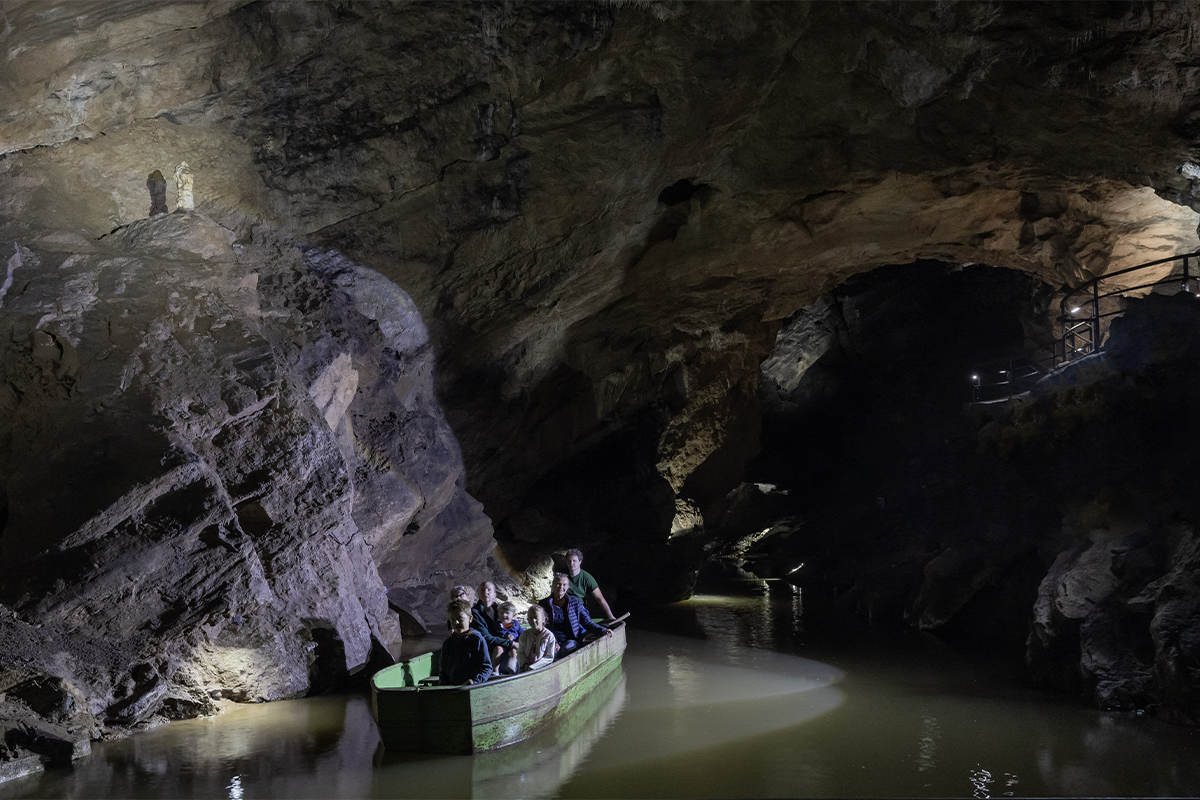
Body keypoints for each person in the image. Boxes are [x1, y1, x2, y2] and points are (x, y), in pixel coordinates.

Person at [540, 573, 612, 656]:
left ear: (568, 587)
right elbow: (541, 626)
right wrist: (554, 642)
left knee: (566, 649)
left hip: (571, 640)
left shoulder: (575, 603)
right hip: (550, 640)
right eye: (558, 584)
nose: (561, 587)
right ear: (553, 585)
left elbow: (587, 622)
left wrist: (603, 630)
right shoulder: (543, 604)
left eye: (564, 585)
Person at [439, 600, 492, 686]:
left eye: (460, 619)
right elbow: (443, 671)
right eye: (453, 619)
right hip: (452, 689)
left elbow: (487, 668)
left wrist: (475, 682)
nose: (456, 623)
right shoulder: (448, 643)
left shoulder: (477, 640)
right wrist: (444, 687)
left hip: (472, 688)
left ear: (470, 618)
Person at [564, 548, 616, 620]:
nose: (571, 563)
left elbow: (600, 598)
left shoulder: (587, 578)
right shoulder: (562, 575)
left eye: (574, 561)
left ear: (580, 562)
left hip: (579, 609)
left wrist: (610, 616)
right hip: (564, 607)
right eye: (569, 561)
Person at [471, 581, 510, 662]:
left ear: (494, 595)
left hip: (502, 644)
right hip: (486, 650)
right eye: (482, 590)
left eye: (489, 590)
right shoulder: (475, 613)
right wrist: (510, 643)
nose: (486, 592)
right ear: (478, 595)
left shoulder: (499, 610)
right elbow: (486, 638)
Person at [516, 605, 557, 672]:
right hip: (525, 669)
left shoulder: (549, 636)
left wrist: (533, 667)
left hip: (542, 670)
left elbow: (549, 657)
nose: (533, 620)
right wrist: (525, 664)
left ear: (543, 619)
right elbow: (520, 653)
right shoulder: (524, 635)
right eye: (530, 618)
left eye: (536, 617)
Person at [493, 602, 523, 675]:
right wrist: (504, 637)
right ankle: (495, 671)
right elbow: (494, 636)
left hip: (513, 645)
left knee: (513, 651)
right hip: (502, 645)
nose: (504, 615)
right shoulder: (497, 625)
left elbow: (521, 633)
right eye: (501, 613)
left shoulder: (516, 624)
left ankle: (512, 667)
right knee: (497, 649)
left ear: (513, 616)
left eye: (507, 613)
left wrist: (519, 641)